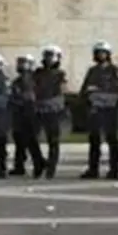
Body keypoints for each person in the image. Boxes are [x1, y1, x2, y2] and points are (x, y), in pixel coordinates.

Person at [80, 40, 118, 179]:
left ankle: (114, 169)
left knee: (112, 139)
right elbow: (85, 89)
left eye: (103, 53)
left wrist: (98, 90)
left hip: (110, 109)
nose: (101, 55)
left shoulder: (113, 70)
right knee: (94, 140)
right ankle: (93, 169)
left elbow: (115, 89)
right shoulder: (92, 71)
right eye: (98, 53)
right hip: (95, 109)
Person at [32, 45, 67, 179]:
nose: (48, 58)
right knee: (32, 138)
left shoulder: (60, 74)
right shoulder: (38, 73)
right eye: (46, 55)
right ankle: (39, 162)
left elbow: (62, 91)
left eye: (51, 56)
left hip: (53, 110)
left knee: (53, 140)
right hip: (38, 108)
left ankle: (51, 168)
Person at [9, 54, 45, 178]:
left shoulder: (35, 80)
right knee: (19, 140)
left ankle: (38, 163)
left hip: (31, 114)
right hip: (19, 114)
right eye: (20, 63)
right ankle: (19, 166)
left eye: (25, 63)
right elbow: (13, 96)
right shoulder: (16, 82)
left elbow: (33, 97)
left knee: (31, 141)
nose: (22, 66)